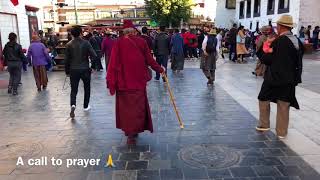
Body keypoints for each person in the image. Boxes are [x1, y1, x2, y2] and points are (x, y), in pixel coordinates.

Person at [106, 20, 164, 145]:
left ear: (123, 31)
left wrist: (111, 80)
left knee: (126, 110)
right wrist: (160, 69)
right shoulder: (141, 42)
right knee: (138, 109)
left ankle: (130, 134)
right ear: (133, 30)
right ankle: (135, 130)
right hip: (138, 82)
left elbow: (113, 64)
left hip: (123, 83)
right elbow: (149, 60)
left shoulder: (118, 43)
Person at [256, 15, 304, 139]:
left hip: (274, 78)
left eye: (278, 25)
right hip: (290, 78)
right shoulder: (297, 41)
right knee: (284, 103)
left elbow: (267, 59)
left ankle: (264, 124)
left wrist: (263, 47)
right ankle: (282, 132)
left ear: (281, 26)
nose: (276, 27)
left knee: (263, 98)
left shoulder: (279, 41)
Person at [65, 26, 97, 119]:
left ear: (72, 34)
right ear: (80, 33)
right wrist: (93, 67)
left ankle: (73, 104)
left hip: (73, 69)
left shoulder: (69, 44)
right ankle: (86, 106)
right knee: (87, 88)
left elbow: (66, 60)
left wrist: (67, 71)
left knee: (74, 89)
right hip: (85, 69)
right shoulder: (86, 43)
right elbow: (94, 56)